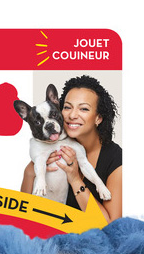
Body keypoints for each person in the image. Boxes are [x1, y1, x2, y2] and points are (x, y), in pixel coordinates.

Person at [20, 75, 122, 221]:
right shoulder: (48, 146)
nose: (73, 115)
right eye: (67, 107)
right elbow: (23, 208)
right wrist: (30, 172)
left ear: (98, 118)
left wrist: (75, 180)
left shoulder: (115, 159)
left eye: (84, 109)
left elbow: (110, 225)